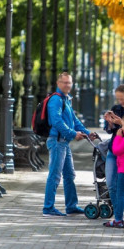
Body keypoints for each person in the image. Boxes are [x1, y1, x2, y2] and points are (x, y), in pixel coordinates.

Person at [43, 72, 91, 217]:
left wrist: (87, 133)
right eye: (64, 82)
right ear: (58, 83)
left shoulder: (66, 100)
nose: (67, 85)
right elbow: (57, 122)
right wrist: (73, 134)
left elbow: (74, 120)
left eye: (69, 82)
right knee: (55, 175)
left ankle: (71, 206)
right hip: (57, 142)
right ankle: (48, 208)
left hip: (64, 143)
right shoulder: (56, 100)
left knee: (69, 175)